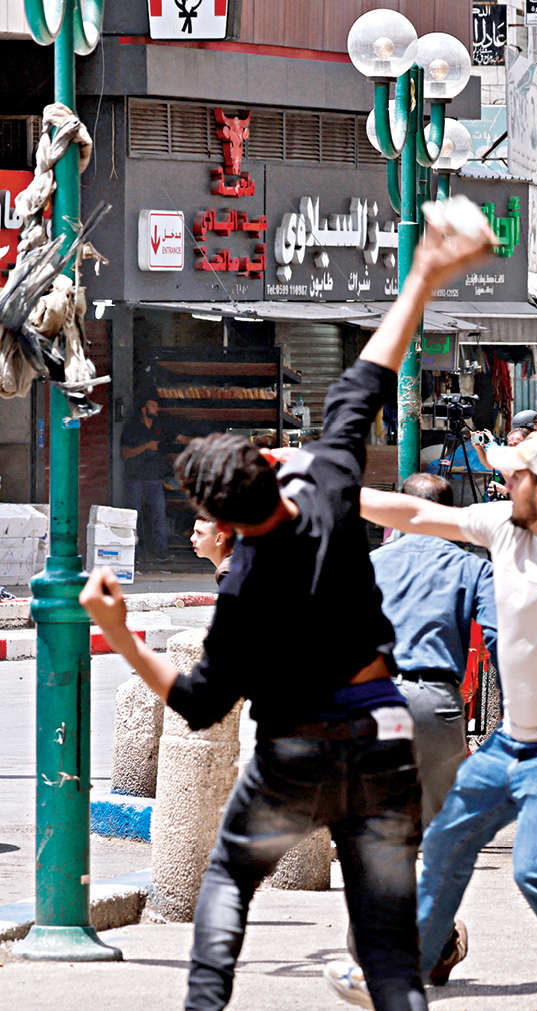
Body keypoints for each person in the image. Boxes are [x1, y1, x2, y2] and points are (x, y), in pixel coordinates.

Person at [78, 214, 497, 1011]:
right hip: (380, 729)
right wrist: (424, 273)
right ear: (268, 464)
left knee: (228, 882)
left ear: (220, 519)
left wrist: (122, 633)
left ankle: (206, 1001)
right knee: (385, 939)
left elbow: (200, 700)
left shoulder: (243, 585)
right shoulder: (331, 485)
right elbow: (370, 374)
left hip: (294, 749)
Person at [331, 431, 537, 1010]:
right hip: (514, 739)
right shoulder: (504, 526)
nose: (502, 483)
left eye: (514, 476)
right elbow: (414, 513)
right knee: (447, 840)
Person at [371, 472, 500, 824]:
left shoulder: (371, 564)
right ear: (449, 512)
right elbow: (500, 640)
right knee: (437, 828)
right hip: (436, 703)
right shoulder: (473, 568)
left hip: (375, 699)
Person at [121, 397, 188, 563]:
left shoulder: (160, 427)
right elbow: (125, 453)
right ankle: (132, 556)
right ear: (143, 409)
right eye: (153, 406)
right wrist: (146, 446)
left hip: (154, 479)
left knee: (159, 516)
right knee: (133, 518)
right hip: (135, 479)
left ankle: (161, 553)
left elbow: (180, 439)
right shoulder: (132, 428)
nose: (156, 409)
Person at [189, 517, 235, 587]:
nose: (192, 538)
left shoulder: (227, 573)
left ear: (219, 538)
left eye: (200, 533)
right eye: (194, 532)